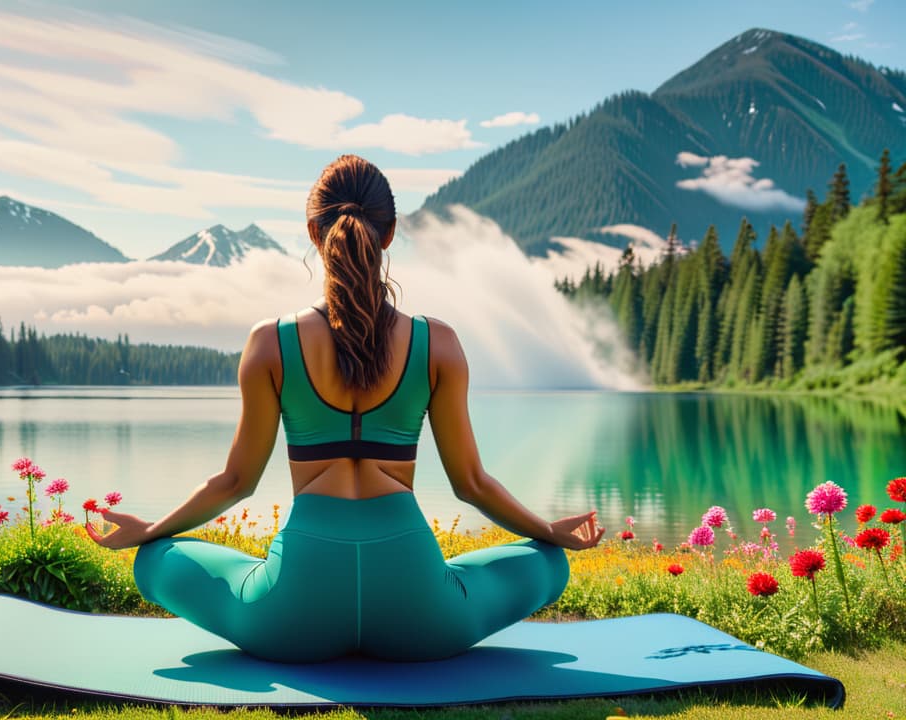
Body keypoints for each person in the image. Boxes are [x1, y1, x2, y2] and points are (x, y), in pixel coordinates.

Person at [86, 154, 605, 663]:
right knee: (548, 563)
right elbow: (470, 483)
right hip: (420, 614)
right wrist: (547, 531)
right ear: (390, 232)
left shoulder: (270, 344)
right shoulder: (438, 344)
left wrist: (151, 532)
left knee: (155, 561)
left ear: (314, 232)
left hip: (292, 616)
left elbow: (235, 482)